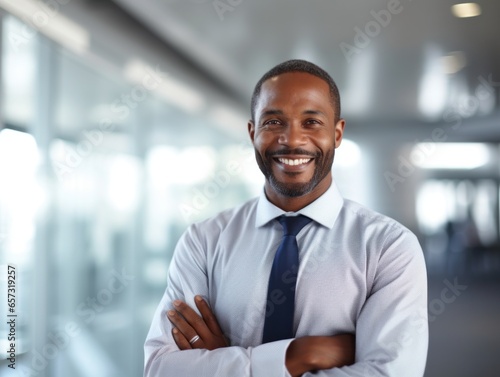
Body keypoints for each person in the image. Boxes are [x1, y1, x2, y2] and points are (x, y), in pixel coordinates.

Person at [144, 59, 428, 376]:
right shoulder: (204, 241)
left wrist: (224, 362)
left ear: (337, 133)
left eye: (311, 123)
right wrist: (299, 354)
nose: (292, 140)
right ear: (253, 132)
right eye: (274, 123)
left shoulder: (389, 248)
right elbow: (161, 368)